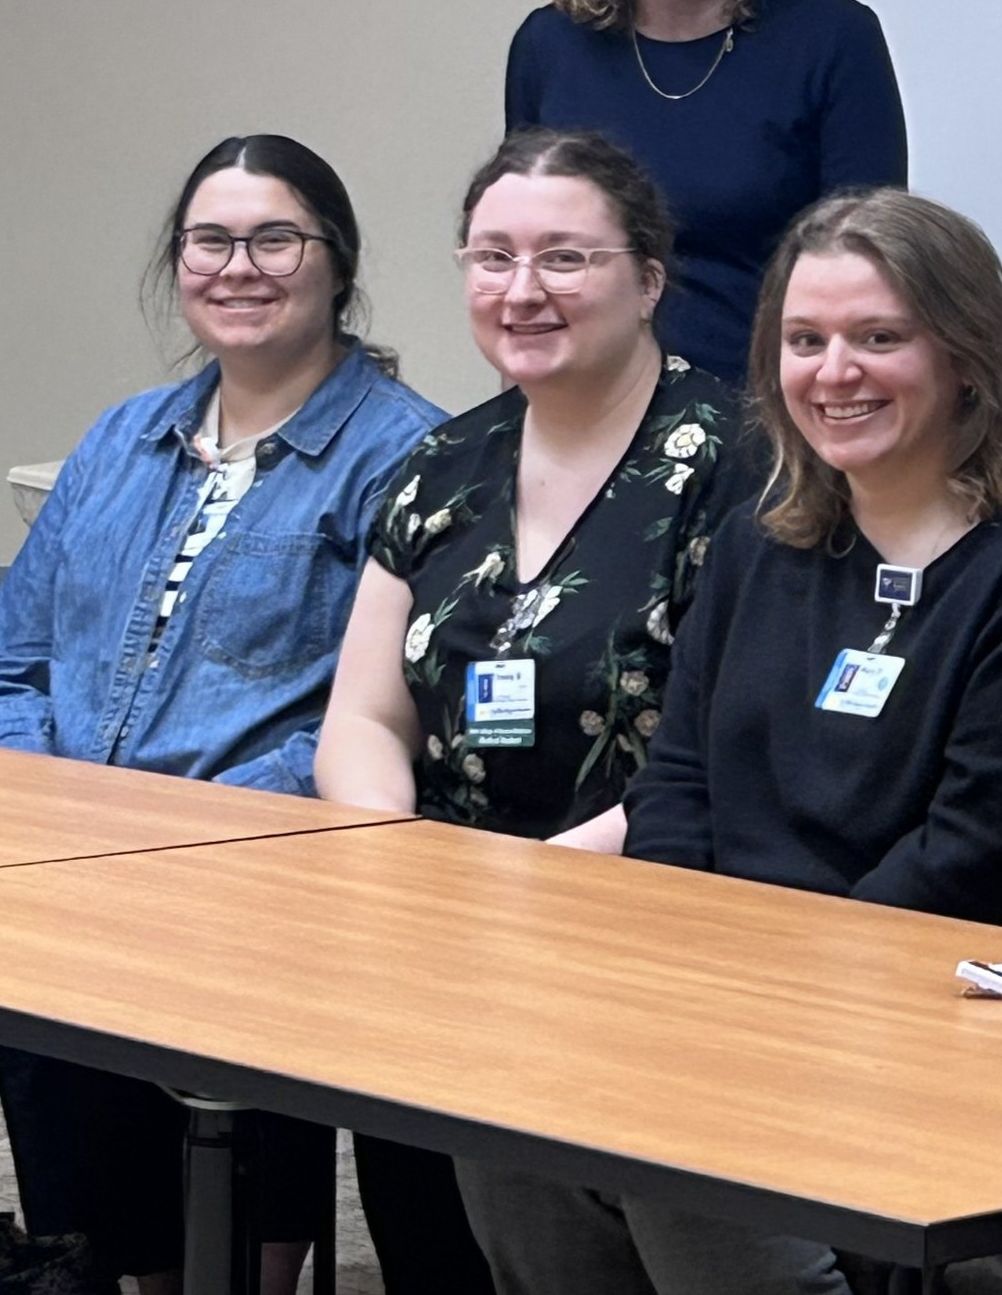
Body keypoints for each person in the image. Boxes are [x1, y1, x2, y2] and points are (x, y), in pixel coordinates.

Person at [471, 191, 1002, 1295]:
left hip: (915, 1010)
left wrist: (755, 1012)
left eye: (878, 337)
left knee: (671, 1139)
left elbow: (973, 848)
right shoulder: (763, 542)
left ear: (965, 355)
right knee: (501, 1108)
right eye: (805, 341)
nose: (834, 371)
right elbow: (677, 784)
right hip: (724, 997)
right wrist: (682, 981)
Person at [0, 135, 442, 1295]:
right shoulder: (119, 438)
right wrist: (51, 808)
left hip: (250, 885)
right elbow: (8, 665)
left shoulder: (407, 452)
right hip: (64, 866)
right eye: (210, 241)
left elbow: (371, 708)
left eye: (275, 238)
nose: (240, 266)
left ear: (337, 260)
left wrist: (170, 837)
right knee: (78, 1194)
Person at [315, 129, 752, 1280]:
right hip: (439, 927)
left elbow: (716, 751)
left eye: (565, 258)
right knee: (431, 1240)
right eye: (491, 256)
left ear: (649, 278)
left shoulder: (737, 462)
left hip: (637, 927)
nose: (521, 290)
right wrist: (396, 864)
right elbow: (363, 715)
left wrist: (533, 889)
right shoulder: (439, 462)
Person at [507, 0, 905, 388]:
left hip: (771, 423)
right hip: (581, 403)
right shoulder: (548, 46)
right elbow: (523, 260)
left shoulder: (834, 40)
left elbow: (866, 273)